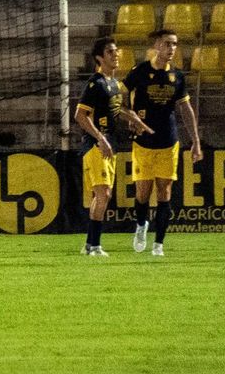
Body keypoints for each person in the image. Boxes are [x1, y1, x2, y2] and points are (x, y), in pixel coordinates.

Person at [124, 28, 203, 257]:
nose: (172, 49)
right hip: (143, 142)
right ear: (157, 45)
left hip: (168, 141)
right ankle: (141, 226)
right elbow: (118, 99)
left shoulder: (177, 77)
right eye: (168, 44)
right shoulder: (139, 72)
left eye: (175, 44)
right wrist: (131, 117)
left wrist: (195, 142)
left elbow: (186, 109)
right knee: (142, 192)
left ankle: (159, 243)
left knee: (164, 191)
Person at [73, 37, 153, 256]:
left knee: (100, 196)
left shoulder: (115, 84)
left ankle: (90, 244)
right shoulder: (96, 83)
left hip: (110, 143)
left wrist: (134, 119)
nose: (116, 55)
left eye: (116, 51)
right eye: (110, 52)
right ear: (100, 58)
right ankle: (95, 246)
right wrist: (100, 138)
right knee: (104, 194)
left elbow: (119, 109)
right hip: (97, 144)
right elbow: (80, 115)